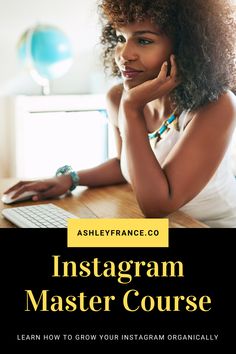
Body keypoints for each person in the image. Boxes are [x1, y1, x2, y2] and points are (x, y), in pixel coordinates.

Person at [5, 0, 236, 227]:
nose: (125, 54)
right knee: (77, 237)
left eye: (144, 40)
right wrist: (69, 179)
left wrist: (131, 109)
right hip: (162, 230)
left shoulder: (216, 106)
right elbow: (124, 164)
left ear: (186, 48)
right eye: (120, 38)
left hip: (208, 224)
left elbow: (157, 205)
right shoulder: (119, 98)